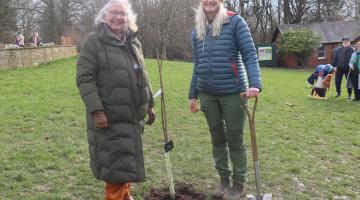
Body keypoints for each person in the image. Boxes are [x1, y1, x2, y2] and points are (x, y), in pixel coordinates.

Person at [76, 0, 156, 199]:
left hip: (132, 116)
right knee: (115, 165)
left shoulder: (133, 41)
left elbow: (142, 75)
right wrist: (97, 111)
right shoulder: (93, 42)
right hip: (110, 116)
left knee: (126, 161)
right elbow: (85, 79)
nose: (119, 17)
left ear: (129, 18)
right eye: (114, 13)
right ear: (104, 16)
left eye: (123, 13)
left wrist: (150, 105)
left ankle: (125, 195)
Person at [189, 0, 262, 199]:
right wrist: (192, 94)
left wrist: (254, 83)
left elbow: (249, 54)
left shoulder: (235, 22)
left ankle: (238, 183)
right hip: (207, 93)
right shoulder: (197, 30)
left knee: (235, 138)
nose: (210, 1)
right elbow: (197, 64)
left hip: (233, 92)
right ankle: (224, 179)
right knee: (217, 138)